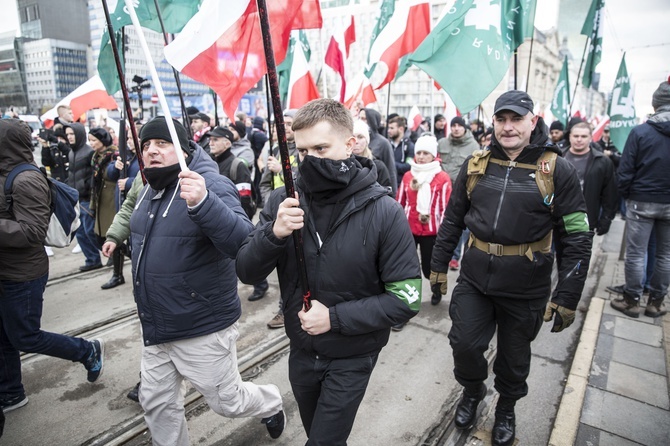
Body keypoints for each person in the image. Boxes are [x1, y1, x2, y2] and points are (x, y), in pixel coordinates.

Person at [236, 99, 422, 445]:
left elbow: (407, 299)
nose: (311, 160)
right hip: (302, 351)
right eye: (302, 150)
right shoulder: (282, 201)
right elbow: (247, 269)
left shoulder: (384, 211)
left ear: (350, 144)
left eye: (321, 147)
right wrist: (273, 234)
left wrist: (334, 318)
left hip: (353, 354)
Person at [430, 91, 592, 446]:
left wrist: (568, 294)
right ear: (494, 123)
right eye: (501, 119)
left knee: (514, 358)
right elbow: (452, 219)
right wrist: (438, 263)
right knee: (465, 345)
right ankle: (473, 391)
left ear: (532, 122)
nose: (508, 127)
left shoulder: (556, 168)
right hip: (474, 279)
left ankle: (506, 406)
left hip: (526, 286)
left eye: (516, 119)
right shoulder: (476, 164)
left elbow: (577, 236)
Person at [111, 116, 284, 445]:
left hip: (201, 324)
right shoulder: (150, 188)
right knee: (157, 404)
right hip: (157, 323)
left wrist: (204, 203)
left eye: (162, 144)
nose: (152, 152)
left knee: (227, 402)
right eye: (146, 145)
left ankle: (270, 402)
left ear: (184, 147)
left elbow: (243, 245)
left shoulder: (208, 182)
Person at [0, 119, 104, 414]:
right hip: (7, 269)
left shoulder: (26, 179)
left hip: (22, 274)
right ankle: (10, 392)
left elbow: (31, 232)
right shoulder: (5, 173)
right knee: (3, 336)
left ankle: (87, 350)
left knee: (24, 335)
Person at [611, 78, 670, 318]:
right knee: (665, 254)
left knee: (636, 253)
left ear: (655, 105)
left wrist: (626, 196)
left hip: (641, 200)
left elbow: (625, 171)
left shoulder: (640, 132)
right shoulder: (640, 131)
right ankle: (656, 303)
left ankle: (632, 300)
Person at [397, 134, 452, 307]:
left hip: (431, 231)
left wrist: (444, 232)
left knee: (429, 268)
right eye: (418, 152)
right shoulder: (408, 176)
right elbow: (400, 202)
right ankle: (408, 298)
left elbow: (445, 208)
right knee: (406, 267)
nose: (420, 156)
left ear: (433, 155)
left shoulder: (442, 177)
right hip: (408, 229)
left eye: (425, 153)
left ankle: (435, 288)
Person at [437, 116, 480, 271]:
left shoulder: (473, 145)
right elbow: (437, 162)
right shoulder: (442, 143)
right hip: (442, 190)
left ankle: (455, 257)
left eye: (459, 125)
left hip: (462, 191)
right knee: (444, 223)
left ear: (464, 128)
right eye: (453, 125)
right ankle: (442, 255)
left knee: (460, 225)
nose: (456, 128)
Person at [562, 122, 617, 239]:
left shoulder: (602, 162)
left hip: (585, 220)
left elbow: (609, 194)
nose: (579, 140)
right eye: (576, 136)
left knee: (578, 256)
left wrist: (606, 219)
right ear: (570, 137)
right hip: (558, 218)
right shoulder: (558, 158)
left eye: (583, 136)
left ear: (591, 138)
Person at [64, 123, 101, 271]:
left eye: (72, 134)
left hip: (86, 198)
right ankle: (92, 259)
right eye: (67, 135)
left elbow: (94, 175)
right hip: (75, 199)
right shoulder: (72, 152)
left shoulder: (89, 152)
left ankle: (114, 253)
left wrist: (87, 189)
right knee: (79, 233)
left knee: (90, 231)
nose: (69, 137)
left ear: (79, 134)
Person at [208, 126, 256, 220]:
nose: (211, 143)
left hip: (231, 220)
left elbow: (245, 201)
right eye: (210, 140)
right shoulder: (209, 162)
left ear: (227, 143)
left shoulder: (238, 165)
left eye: (215, 140)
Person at [358, 108, 398, 194]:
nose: (361, 121)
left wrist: (393, 194)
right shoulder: (354, 141)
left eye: (364, 118)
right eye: (359, 118)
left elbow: (391, 169)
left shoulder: (383, 143)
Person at [352, 119, 393, 194]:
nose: (356, 141)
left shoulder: (378, 166)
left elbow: (387, 193)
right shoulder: (343, 164)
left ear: (367, 141)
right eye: (353, 137)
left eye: (360, 137)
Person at [387, 116, 415, 187]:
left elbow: (408, 166)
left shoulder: (409, 146)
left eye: (392, 128)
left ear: (401, 129)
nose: (388, 130)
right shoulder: (386, 144)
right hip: (388, 183)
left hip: (402, 184)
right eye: (388, 128)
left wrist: (391, 164)